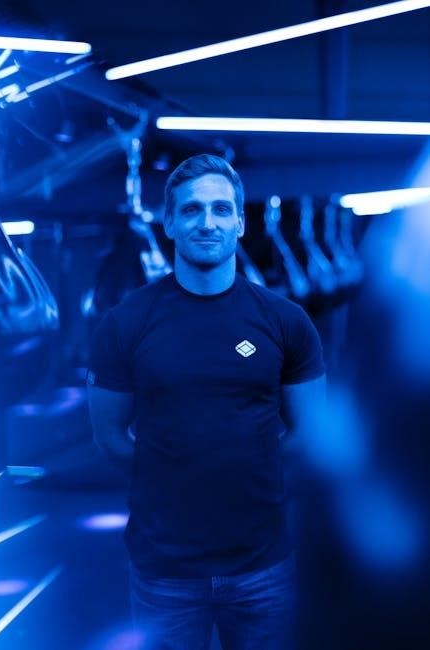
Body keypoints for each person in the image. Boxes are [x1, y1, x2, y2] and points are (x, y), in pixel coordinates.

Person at [87, 154, 326, 649]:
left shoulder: (286, 322)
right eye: (192, 210)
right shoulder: (125, 323)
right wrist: (167, 475)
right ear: (169, 222)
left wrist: (251, 470)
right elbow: (109, 434)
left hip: (263, 567)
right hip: (164, 571)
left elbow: (310, 430)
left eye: (221, 209)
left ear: (239, 222)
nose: (207, 222)